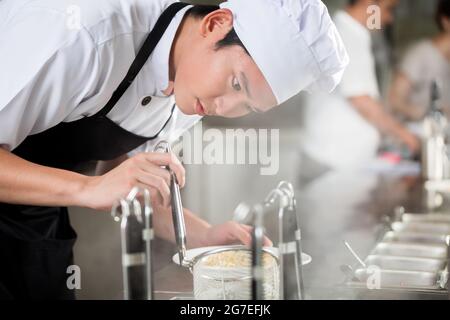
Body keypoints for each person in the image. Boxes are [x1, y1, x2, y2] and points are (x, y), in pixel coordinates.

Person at [0, 0, 348, 299]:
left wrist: (206, 236)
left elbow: (136, 184)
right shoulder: (88, 36)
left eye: (248, 105)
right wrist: (87, 189)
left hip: (35, 224)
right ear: (215, 24)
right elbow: (99, 186)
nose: (225, 107)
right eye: (236, 83)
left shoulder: (193, 90)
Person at [300, 0, 419, 171]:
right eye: (389, 9)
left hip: (337, 161)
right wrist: (405, 135)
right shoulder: (346, 34)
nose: (389, 18)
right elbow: (361, 100)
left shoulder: (351, 32)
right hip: (330, 161)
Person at [389, 0, 450, 122]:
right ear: (445, 21)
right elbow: (394, 99)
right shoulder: (422, 53)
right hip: (417, 132)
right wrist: (426, 114)